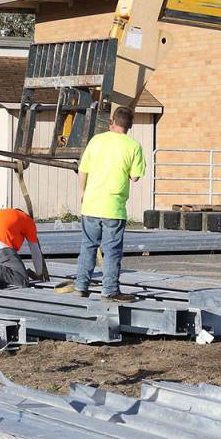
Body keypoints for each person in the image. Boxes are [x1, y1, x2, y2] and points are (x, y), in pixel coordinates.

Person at [56, 106, 145, 302]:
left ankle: (81, 286)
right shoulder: (133, 146)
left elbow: (83, 169)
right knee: (112, 251)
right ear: (130, 125)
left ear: (112, 121)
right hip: (113, 208)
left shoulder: (96, 141)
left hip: (91, 205)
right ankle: (109, 290)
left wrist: (83, 193)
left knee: (88, 246)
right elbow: (136, 177)